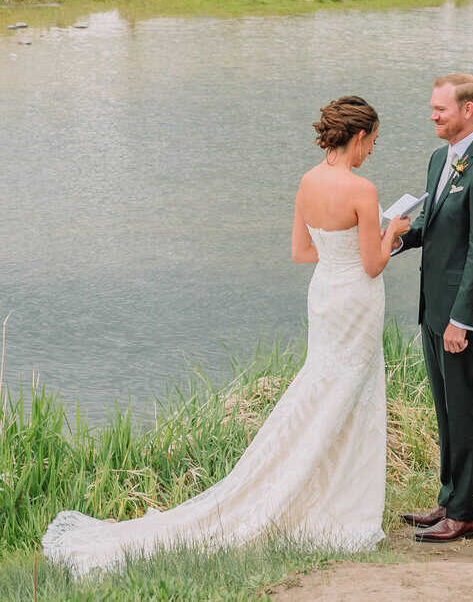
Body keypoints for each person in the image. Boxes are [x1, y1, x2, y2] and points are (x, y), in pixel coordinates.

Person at [41, 95, 410, 579]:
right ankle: (335, 502)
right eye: (373, 143)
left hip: (324, 299)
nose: (371, 153)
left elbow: (302, 252)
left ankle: (303, 486)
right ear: (358, 137)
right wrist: (393, 231)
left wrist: (339, 254)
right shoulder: (362, 189)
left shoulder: (307, 181)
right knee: (351, 394)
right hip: (356, 301)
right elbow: (373, 264)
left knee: (322, 386)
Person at [391, 72, 473, 543]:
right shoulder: (441, 158)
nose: (433, 115)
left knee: (465, 410)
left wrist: (461, 320)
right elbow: (435, 229)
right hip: (433, 310)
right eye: (433, 107)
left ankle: (465, 514)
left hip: (464, 317)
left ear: (469, 111)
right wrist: (395, 238)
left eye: (441, 108)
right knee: (445, 408)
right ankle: (447, 499)